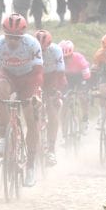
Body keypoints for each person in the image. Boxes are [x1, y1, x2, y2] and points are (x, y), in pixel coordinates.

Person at [0, 13, 43, 187]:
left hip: (29, 79)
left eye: (16, 38)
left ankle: (30, 166)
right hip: (9, 76)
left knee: (31, 119)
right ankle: (4, 135)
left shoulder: (32, 44)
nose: (12, 41)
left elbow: (38, 72)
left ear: (23, 35)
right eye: (9, 37)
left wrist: (34, 93)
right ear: (4, 33)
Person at [35, 30, 65, 166]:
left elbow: (60, 73)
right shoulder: (30, 47)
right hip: (35, 78)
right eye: (39, 48)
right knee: (31, 108)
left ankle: (51, 150)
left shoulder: (56, 50)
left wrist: (56, 91)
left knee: (53, 112)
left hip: (52, 78)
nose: (41, 51)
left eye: (43, 49)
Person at [60, 40, 91, 132]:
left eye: (68, 57)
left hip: (80, 77)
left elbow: (87, 75)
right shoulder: (58, 59)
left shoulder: (79, 58)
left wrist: (84, 88)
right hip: (66, 78)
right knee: (63, 103)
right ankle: (64, 131)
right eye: (64, 58)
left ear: (72, 53)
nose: (66, 60)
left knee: (83, 97)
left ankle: (85, 119)